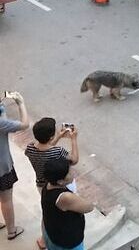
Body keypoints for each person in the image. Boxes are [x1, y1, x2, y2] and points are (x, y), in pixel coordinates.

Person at [25, 119, 80, 250]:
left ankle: (44, 239)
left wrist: (58, 137)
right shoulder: (58, 152)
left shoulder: (30, 148)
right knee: (63, 212)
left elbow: (45, 148)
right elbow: (74, 160)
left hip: (42, 185)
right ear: (50, 136)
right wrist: (73, 139)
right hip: (59, 185)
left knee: (47, 212)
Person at [41, 157, 95, 250]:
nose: (73, 173)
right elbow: (89, 207)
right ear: (60, 181)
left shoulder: (48, 185)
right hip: (67, 242)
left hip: (51, 232)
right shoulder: (65, 197)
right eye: (69, 173)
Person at [0, 91, 30, 241]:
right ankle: (11, 231)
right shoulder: (1, 124)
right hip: (1, 169)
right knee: (5, 199)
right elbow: (25, 124)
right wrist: (20, 103)